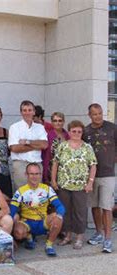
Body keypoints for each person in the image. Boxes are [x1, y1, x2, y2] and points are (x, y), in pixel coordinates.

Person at [51, 120, 97, 250]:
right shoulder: (62, 146)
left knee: (80, 211)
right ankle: (67, 236)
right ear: (69, 132)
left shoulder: (87, 147)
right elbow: (55, 163)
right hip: (64, 185)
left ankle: (79, 237)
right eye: (74, 131)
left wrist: (90, 182)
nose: (76, 133)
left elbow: (93, 165)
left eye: (79, 131)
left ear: (82, 132)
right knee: (66, 211)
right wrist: (53, 180)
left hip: (81, 186)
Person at [10, 163, 65, 256]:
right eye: (31, 174)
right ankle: (28, 237)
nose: (34, 177)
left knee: (58, 219)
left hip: (43, 222)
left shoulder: (47, 189)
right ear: (26, 175)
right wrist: (9, 236)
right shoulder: (20, 191)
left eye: (37, 174)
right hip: (27, 222)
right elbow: (12, 211)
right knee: (18, 232)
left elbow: (60, 206)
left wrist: (58, 217)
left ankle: (49, 245)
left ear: (40, 174)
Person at [83, 103, 116, 253]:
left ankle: (108, 239)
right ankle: (98, 233)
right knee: (95, 206)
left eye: (100, 113)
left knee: (106, 207)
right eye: (94, 114)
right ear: (89, 115)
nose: (98, 116)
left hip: (108, 174)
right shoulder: (86, 131)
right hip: (91, 175)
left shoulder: (112, 128)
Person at [8, 100, 48, 190]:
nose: (27, 113)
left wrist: (27, 142)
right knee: (22, 193)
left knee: (37, 193)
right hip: (21, 165)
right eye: (24, 110)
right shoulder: (14, 127)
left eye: (29, 110)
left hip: (36, 164)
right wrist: (36, 145)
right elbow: (14, 148)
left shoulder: (40, 127)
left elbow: (44, 145)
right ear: (21, 112)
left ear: (34, 112)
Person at [41, 112, 69, 184]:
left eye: (60, 120)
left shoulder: (68, 136)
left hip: (65, 169)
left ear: (63, 122)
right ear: (52, 122)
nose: (58, 123)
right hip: (50, 169)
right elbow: (44, 156)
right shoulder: (47, 136)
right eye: (55, 121)